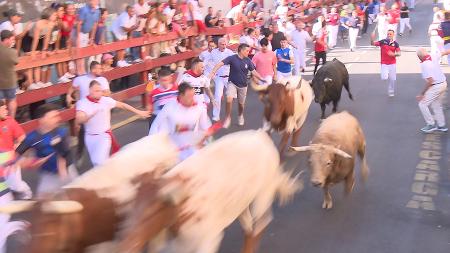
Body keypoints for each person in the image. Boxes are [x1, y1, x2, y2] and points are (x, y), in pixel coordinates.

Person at [75, 81, 150, 166]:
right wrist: (89, 116)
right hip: (89, 137)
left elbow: (122, 105)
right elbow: (79, 119)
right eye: (96, 91)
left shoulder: (106, 100)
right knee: (96, 163)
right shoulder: (82, 103)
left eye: (100, 90)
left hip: (104, 136)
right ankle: (112, 170)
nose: (99, 93)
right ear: (90, 91)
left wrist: (138, 111)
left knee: (99, 162)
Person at [16, 104, 77, 196]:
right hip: (47, 175)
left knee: (75, 199)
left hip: (66, 172)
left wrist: (64, 173)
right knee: (43, 202)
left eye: (57, 116)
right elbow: (16, 153)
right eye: (53, 117)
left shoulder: (62, 132)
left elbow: (65, 154)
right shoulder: (32, 137)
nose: (58, 119)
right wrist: (26, 162)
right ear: (42, 119)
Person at [149, 82, 212, 161]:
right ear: (181, 96)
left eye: (193, 96)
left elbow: (205, 128)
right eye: (189, 96)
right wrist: (153, 145)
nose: (192, 99)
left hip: (193, 151)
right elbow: (156, 125)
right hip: (174, 153)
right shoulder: (169, 107)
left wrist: (208, 141)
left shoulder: (200, 107)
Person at [208, 43, 266, 128]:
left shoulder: (248, 60)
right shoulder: (232, 58)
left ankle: (240, 115)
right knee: (229, 99)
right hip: (232, 83)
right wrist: (213, 72)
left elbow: (253, 71)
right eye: (247, 51)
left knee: (241, 104)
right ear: (241, 50)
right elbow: (220, 64)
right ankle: (228, 118)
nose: (248, 52)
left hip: (243, 85)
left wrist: (261, 79)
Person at [0, 100, 32, 200]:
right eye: (3, 109)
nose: (6, 110)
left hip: (10, 160)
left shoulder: (10, 121)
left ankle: (28, 195)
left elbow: (22, 137)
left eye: (6, 108)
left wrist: (15, 148)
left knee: (16, 186)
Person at [416, 48, 448, 133]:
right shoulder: (433, 55)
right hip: (443, 84)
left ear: (419, 57)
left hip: (436, 86)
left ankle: (431, 124)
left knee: (422, 104)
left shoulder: (424, 65)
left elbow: (430, 81)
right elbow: (446, 52)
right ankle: (441, 126)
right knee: (436, 105)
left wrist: (422, 93)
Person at [209, 38, 234, 122]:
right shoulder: (213, 52)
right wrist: (212, 73)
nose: (224, 46)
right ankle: (216, 116)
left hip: (229, 77)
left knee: (233, 96)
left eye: (225, 44)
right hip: (219, 77)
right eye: (222, 44)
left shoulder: (230, 53)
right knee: (217, 96)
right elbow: (210, 62)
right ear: (218, 44)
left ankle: (229, 114)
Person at [371, 29, 401, 97]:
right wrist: (372, 38)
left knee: (392, 79)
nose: (389, 35)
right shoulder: (383, 42)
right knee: (384, 78)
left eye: (390, 34)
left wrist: (393, 55)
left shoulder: (395, 44)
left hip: (392, 63)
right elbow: (372, 44)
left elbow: (399, 53)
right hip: (384, 63)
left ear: (393, 35)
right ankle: (386, 73)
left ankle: (391, 90)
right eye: (388, 34)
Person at [76, 0, 100, 75]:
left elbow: (94, 25)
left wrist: (91, 38)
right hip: (78, 33)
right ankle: (79, 72)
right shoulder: (84, 9)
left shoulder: (97, 11)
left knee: (83, 53)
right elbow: (79, 24)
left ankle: (82, 71)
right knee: (78, 52)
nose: (94, 2)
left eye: (96, 0)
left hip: (86, 33)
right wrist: (77, 37)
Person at [0, 30, 18, 118]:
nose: (13, 42)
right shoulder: (12, 52)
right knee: (12, 101)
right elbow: (16, 62)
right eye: (12, 39)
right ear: (6, 40)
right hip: (10, 82)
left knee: (1, 103)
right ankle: (12, 121)